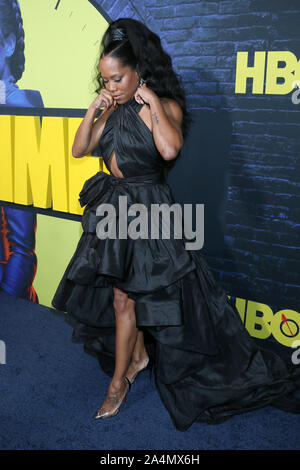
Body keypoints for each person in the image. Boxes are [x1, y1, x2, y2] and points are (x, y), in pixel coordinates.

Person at [51, 18, 300, 432]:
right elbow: (79, 149)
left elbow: (168, 149)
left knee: (137, 296)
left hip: (149, 212)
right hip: (114, 207)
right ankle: (136, 360)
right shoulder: (110, 107)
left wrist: (148, 98)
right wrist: (96, 108)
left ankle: (118, 384)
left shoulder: (162, 106)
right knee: (120, 297)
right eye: (104, 79)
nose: (110, 86)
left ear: (138, 72)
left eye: (117, 79)